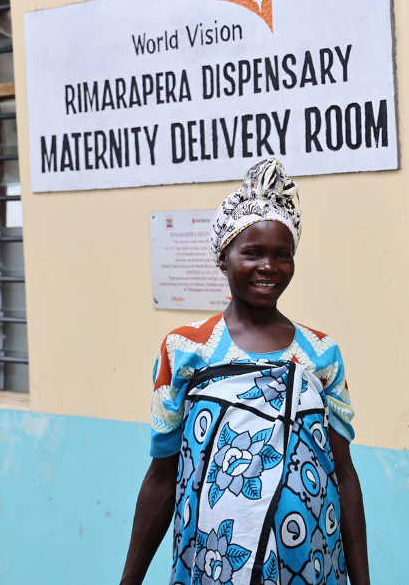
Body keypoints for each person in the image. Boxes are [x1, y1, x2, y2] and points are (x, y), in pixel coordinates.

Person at [121, 159, 370, 585]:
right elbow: (162, 478)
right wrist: (130, 580)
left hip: (309, 565)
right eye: (251, 252)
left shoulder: (321, 353)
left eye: (282, 254)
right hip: (215, 563)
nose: (268, 266)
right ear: (224, 257)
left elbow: (342, 474)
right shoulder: (186, 349)